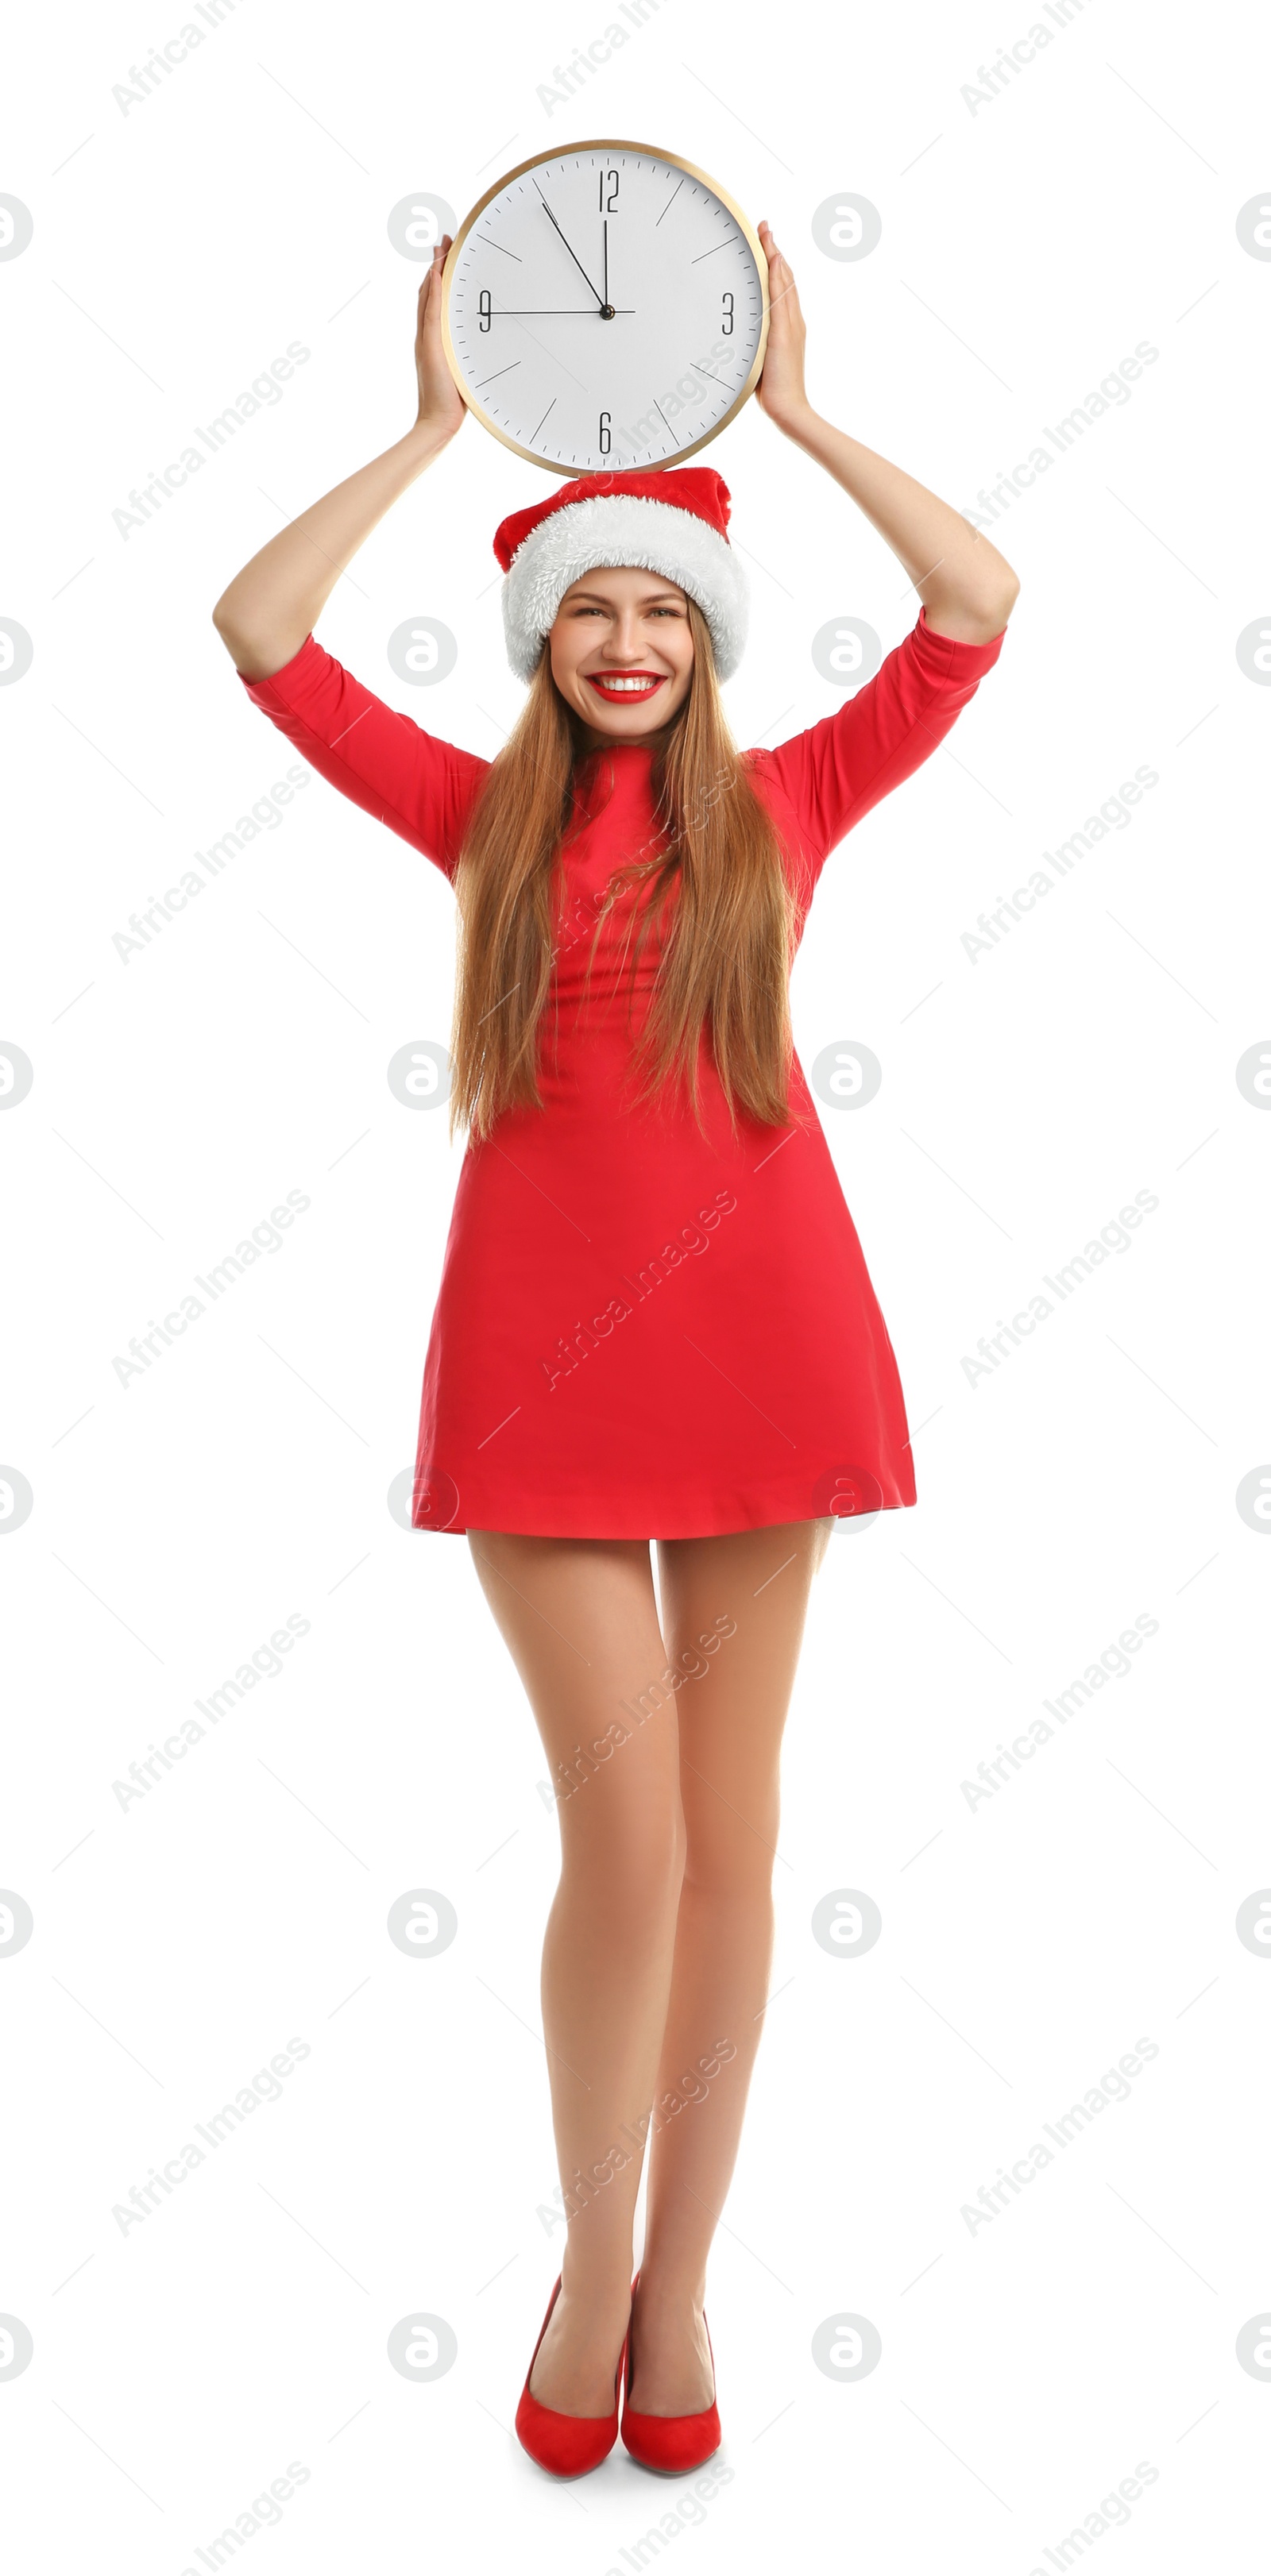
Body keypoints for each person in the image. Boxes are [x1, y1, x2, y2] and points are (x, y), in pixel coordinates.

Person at [212, 216, 1018, 2478]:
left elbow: (976, 607)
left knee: (743, 1853)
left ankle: (683, 2291)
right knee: (632, 1847)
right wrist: (431, 431)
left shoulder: (785, 810)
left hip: (772, 1357)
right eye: (596, 605)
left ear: (713, 640)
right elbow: (260, 632)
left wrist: (797, 416)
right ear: (543, 641)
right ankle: (586, 2258)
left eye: (671, 606)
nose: (636, 636)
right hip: (547, 1373)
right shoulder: (477, 822)